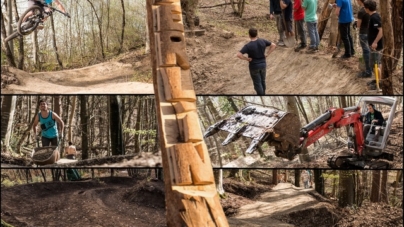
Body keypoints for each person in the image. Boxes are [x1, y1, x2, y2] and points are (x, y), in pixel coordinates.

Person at [237, 28, 276, 95]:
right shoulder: (262, 41)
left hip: (254, 66)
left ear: (249, 35)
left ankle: (261, 95)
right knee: (263, 81)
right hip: (263, 64)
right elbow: (273, 45)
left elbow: (239, 55)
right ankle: (263, 93)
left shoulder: (248, 46)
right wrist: (267, 54)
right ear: (257, 34)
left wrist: (247, 59)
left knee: (257, 83)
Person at [364, 0, 383, 87]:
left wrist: (375, 42)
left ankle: (379, 83)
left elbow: (381, 30)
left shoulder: (375, 17)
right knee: (374, 64)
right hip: (373, 44)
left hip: (376, 45)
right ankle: (376, 80)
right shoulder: (372, 17)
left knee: (376, 63)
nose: (364, 9)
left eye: (365, 7)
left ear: (367, 8)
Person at [356, 0, 372, 78]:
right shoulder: (370, 9)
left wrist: (356, 23)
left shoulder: (362, 11)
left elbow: (358, 25)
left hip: (363, 33)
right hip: (370, 32)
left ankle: (368, 71)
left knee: (366, 51)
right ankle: (370, 69)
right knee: (370, 51)